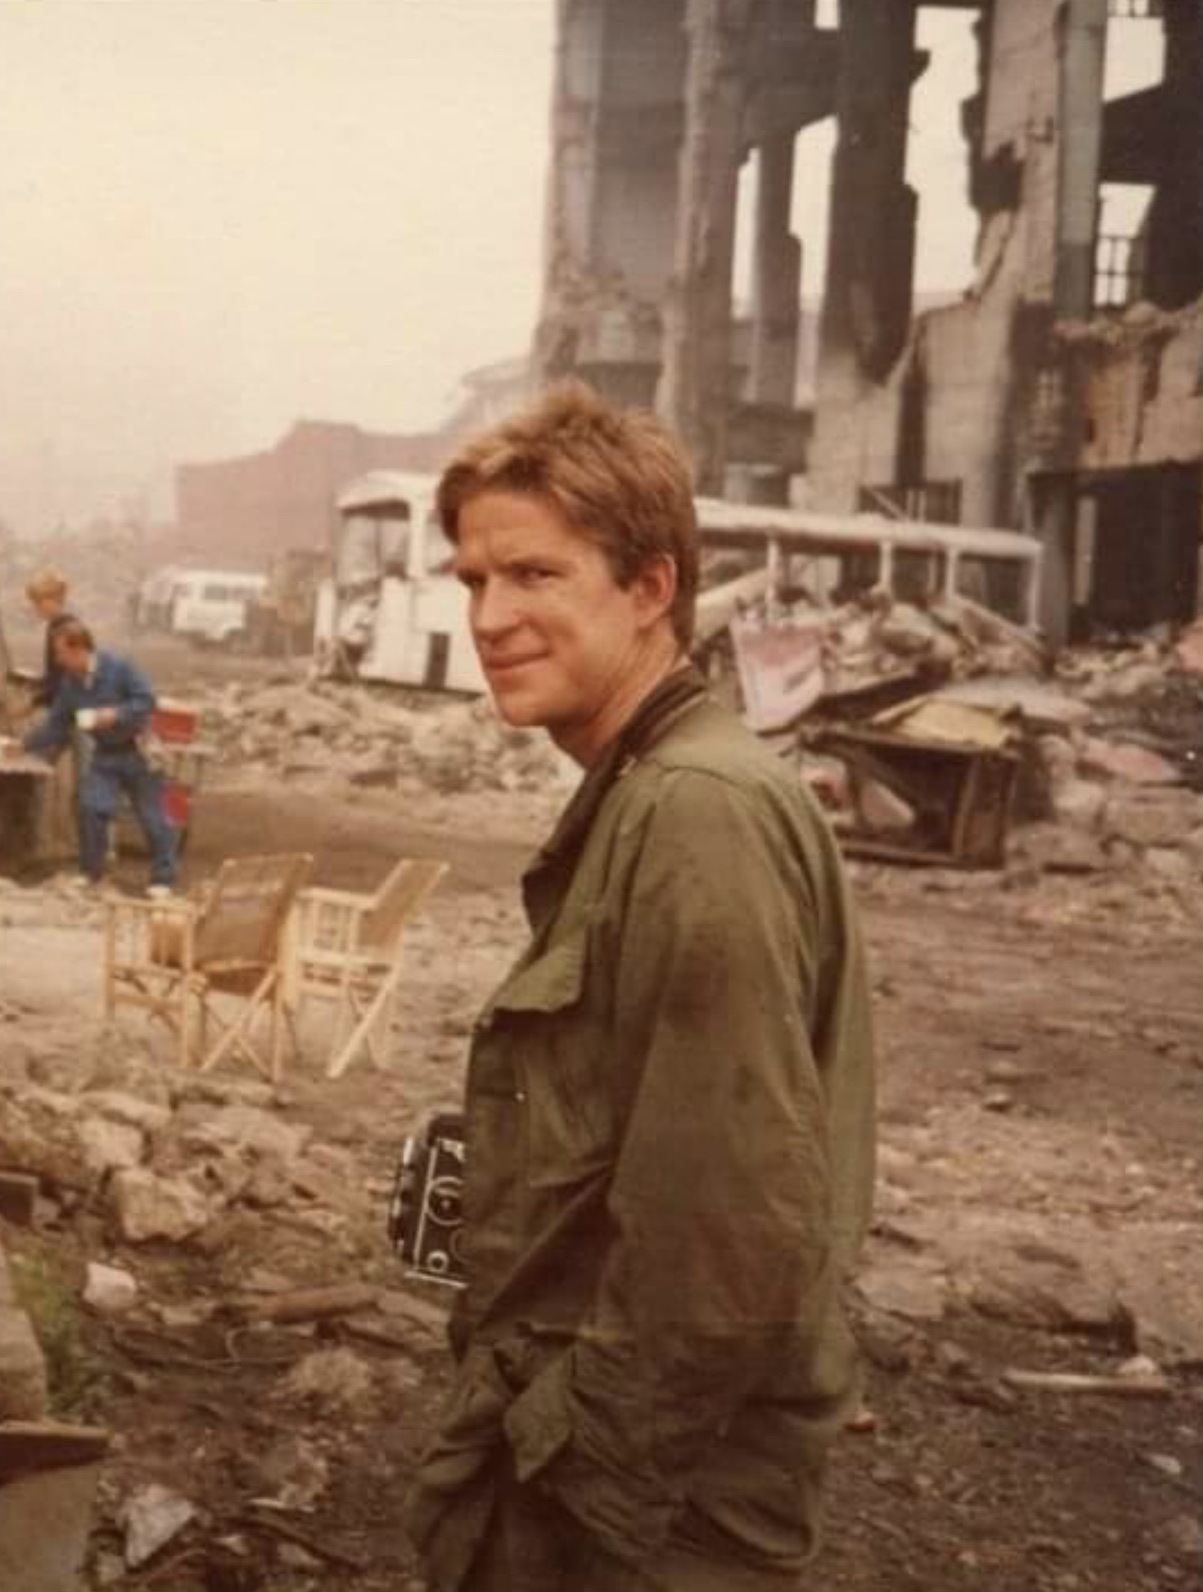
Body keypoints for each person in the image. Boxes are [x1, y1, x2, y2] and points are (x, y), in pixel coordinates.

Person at [405, 383, 875, 1592]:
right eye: (471, 582)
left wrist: (576, 1471)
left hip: (648, 1514)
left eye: (535, 575)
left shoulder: (694, 812)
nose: (492, 616)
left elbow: (727, 1231)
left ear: (651, 587)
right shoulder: (647, 789)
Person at [21, 619, 179, 894]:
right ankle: (91, 873)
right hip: (106, 755)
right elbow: (56, 723)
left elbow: (146, 701)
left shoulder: (120, 667)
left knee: (153, 818)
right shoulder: (71, 684)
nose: (58, 661)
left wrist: (115, 714)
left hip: (140, 750)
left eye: (61, 654)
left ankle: (163, 880)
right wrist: (23, 745)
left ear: (80, 649)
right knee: (91, 807)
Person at [22, 569, 77, 709]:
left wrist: (33, 702)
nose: (36, 608)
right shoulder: (54, 625)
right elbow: (56, 673)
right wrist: (38, 683)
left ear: (56, 599)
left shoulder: (66, 628)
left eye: (39, 603)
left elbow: (67, 679)